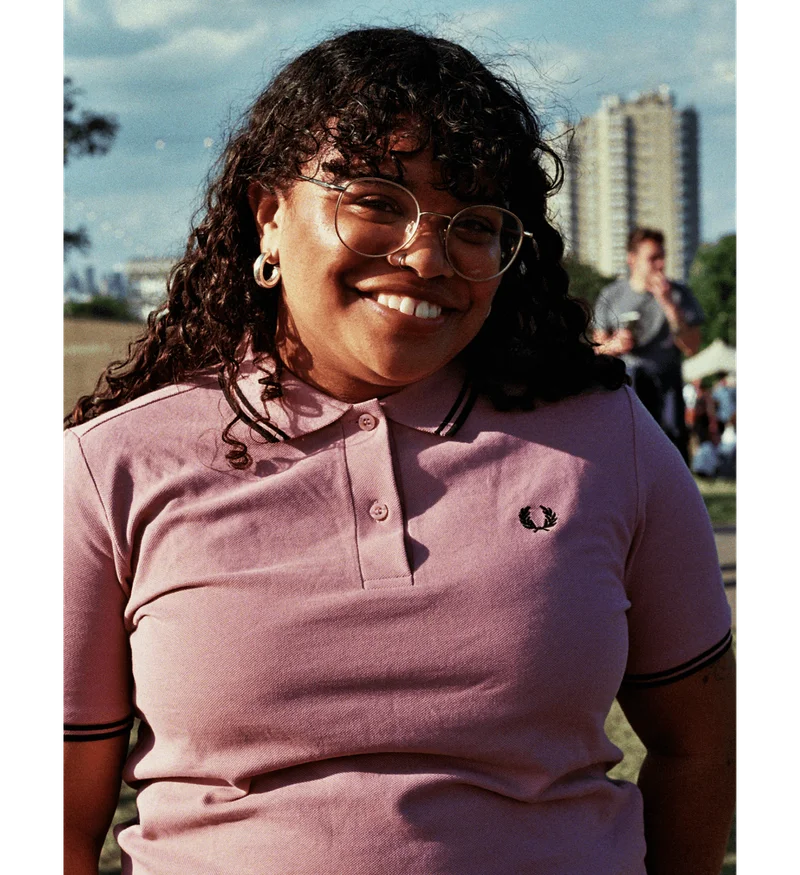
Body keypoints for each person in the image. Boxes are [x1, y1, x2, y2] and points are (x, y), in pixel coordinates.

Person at [60, 28, 734, 875]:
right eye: (377, 201)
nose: (426, 255)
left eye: (474, 223)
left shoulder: (613, 442)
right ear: (268, 213)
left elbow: (697, 749)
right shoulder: (107, 469)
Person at [593, 228, 704, 462]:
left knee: (671, 449)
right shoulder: (612, 295)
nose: (661, 264)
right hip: (626, 382)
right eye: (653, 258)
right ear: (631, 259)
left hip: (667, 382)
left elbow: (692, 346)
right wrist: (614, 344)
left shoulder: (679, 293)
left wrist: (669, 305)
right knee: (627, 451)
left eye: (663, 257)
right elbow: (597, 348)